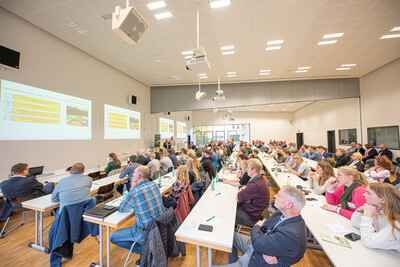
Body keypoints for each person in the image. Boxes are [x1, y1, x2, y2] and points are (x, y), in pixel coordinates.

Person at [218, 186, 307, 267]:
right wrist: (265, 249)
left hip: (254, 260)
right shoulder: (280, 213)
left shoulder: (292, 234)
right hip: (255, 248)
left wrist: (257, 226)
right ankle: (233, 263)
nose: (275, 196)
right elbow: (263, 228)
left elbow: (258, 239)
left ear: (288, 204)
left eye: (279, 195)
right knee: (229, 235)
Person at [110, 166, 164, 265]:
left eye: (134, 174)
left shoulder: (134, 192)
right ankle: (147, 249)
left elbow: (122, 209)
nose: (132, 176)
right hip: (158, 227)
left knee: (113, 237)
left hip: (144, 231)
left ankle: (143, 251)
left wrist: (131, 188)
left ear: (138, 176)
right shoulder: (155, 185)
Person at [351, 183, 400, 252]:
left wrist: (368, 215)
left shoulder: (396, 223)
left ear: (382, 200)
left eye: (368, 193)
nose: (364, 194)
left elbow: (368, 241)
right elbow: (356, 223)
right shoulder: (379, 210)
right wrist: (360, 210)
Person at [235, 159, 269, 227]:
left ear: (253, 170)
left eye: (248, 166)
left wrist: (241, 188)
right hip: (254, 212)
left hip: (251, 217)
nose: (246, 168)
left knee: (229, 212)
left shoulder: (255, 185)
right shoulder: (260, 179)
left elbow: (238, 198)